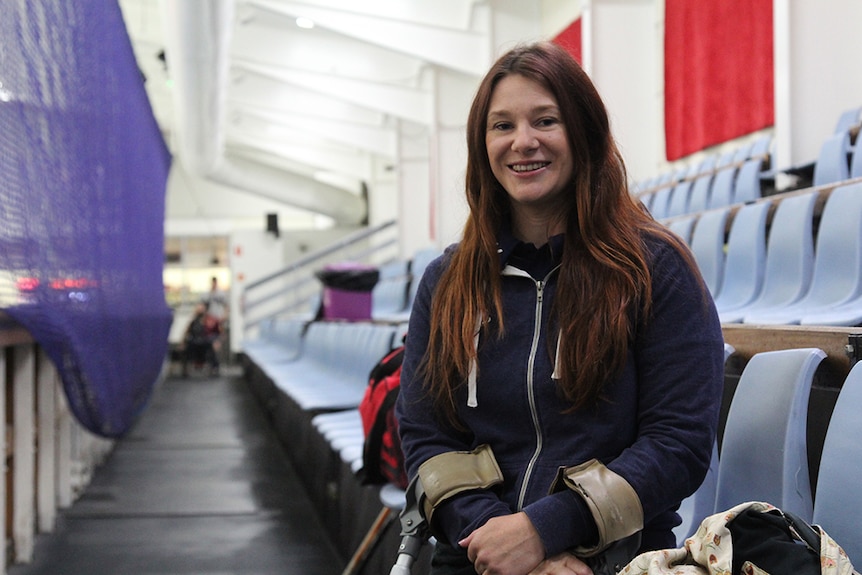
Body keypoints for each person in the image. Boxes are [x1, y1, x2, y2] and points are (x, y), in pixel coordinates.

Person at [395, 42, 724, 575]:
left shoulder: (655, 269)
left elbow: (677, 443)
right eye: (502, 126)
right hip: (476, 559)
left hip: (615, 559)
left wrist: (542, 531)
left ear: (583, 133)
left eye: (545, 120)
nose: (523, 142)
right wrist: (501, 543)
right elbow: (428, 437)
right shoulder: (448, 283)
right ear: (483, 146)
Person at [181, 302, 221, 376]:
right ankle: (186, 368)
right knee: (187, 347)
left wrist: (217, 341)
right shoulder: (194, 320)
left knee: (211, 347)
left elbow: (217, 332)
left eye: (201, 309)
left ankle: (215, 368)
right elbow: (187, 331)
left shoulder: (211, 320)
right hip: (195, 340)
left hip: (206, 341)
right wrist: (183, 342)